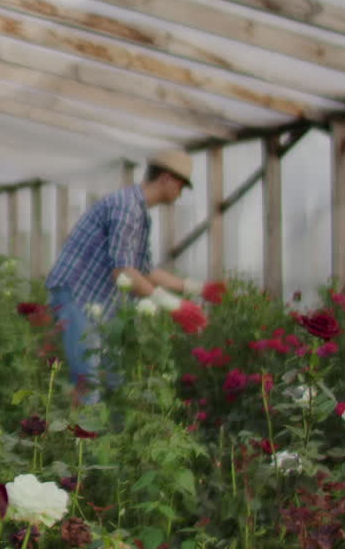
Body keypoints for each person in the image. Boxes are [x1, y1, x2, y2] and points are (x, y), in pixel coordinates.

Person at [45, 150, 217, 402]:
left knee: (111, 378)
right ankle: (80, 438)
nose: (180, 194)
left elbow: (143, 269)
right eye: (181, 186)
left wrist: (196, 288)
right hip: (77, 295)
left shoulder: (137, 210)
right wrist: (173, 305)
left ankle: (95, 436)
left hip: (94, 301)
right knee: (87, 382)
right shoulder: (126, 207)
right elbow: (123, 271)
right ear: (167, 179)